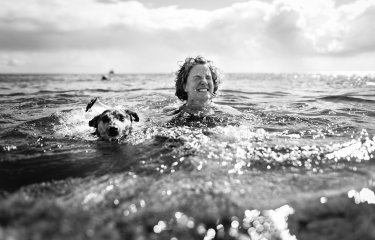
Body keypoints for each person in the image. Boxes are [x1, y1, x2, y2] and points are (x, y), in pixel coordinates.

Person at [172, 55, 241, 116]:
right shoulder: (170, 113)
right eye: (197, 78)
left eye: (208, 78)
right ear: (185, 86)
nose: (204, 82)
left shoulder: (229, 112)